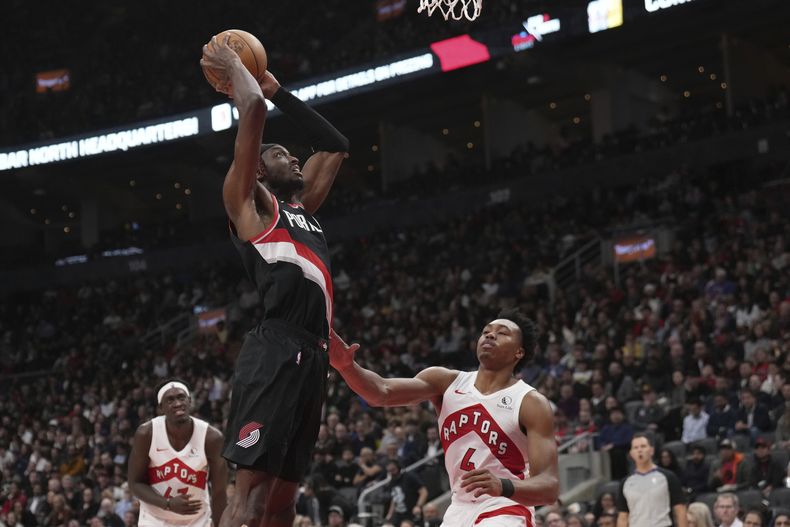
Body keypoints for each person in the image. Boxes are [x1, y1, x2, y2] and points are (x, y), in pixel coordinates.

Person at [200, 31, 349, 527]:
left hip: (314, 357)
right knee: (250, 502)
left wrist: (278, 89)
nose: (291, 157)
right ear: (258, 172)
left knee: (282, 504)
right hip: (277, 349)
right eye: (280, 154)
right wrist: (237, 70)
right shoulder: (249, 204)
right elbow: (254, 114)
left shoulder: (302, 209)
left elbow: (335, 145)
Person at [330, 309, 559, 526]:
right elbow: (381, 393)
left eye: (502, 333)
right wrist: (346, 366)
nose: (490, 334)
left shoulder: (530, 402)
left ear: (519, 352)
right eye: (486, 330)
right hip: (458, 510)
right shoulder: (446, 381)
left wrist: (503, 486)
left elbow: (549, 488)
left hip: (506, 507)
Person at [128, 380, 228, 527]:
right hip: (154, 519)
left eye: (181, 398)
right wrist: (167, 504)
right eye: (170, 400)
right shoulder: (147, 433)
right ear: (161, 407)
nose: (177, 403)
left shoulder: (211, 438)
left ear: (189, 401)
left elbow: (219, 492)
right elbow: (134, 484)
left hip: (197, 520)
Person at [615, 433, 687, 527]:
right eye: (636, 448)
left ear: (651, 450)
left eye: (643, 446)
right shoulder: (625, 483)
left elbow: (680, 510)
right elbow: (623, 517)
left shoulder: (668, 477)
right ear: (631, 454)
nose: (639, 450)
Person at [384, 460, 428, 526]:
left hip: (411, 512)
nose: (392, 472)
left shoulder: (409, 477)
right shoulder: (392, 482)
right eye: (390, 471)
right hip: (399, 514)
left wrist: (418, 506)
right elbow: (394, 499)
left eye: (393, 469)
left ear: (398, 467)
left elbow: (423, 491)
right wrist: (389, 514)